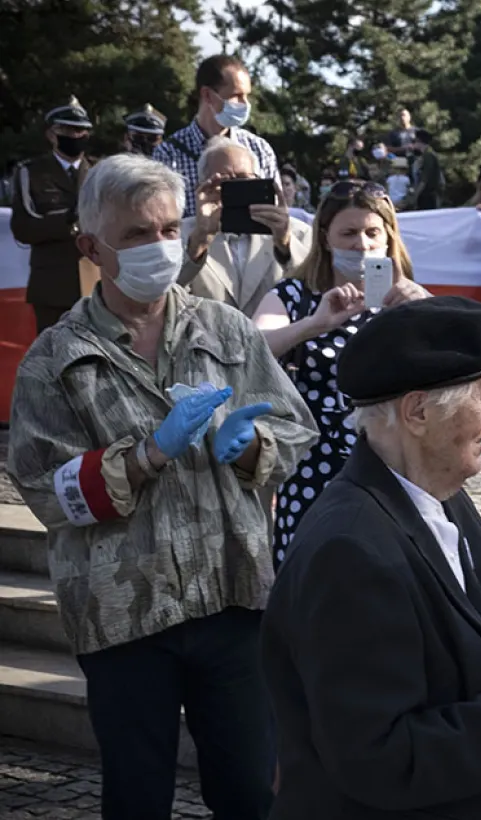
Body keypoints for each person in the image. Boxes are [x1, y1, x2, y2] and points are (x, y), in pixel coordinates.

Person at [4, 153, 318, 820]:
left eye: (169, 229)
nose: (159, 246)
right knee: (137, 796)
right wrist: (145, 456)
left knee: (249, 791)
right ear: (91, 247)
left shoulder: (225, 328)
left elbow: (296, 430)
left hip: (233, 596)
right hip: (124, 613)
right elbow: (44, 489)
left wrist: (251, 444)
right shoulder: (55, 360)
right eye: (136, 234)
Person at [261, 296, 481, 819]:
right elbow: (379, 758)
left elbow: (462, 654)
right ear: (418, 413)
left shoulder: (441, 497)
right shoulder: (349, 551)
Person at [252, 179, 431, 566]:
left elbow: (457, 367)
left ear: (389, 237)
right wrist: (314, 324)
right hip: (313, 470)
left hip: (392, 468)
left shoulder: (406, 299)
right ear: (325, 237)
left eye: (372, 233)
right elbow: (253, 346)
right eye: (348, 233)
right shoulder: (294, 296)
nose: (361, 244)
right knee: (311, 578)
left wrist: (428, 312)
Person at [179, 137, 312, 316]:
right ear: (202, 187)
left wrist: (285, 245)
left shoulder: (299, 233)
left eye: (244, 179)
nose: (237, 188)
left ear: (259, 181)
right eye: (223, 182)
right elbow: (165, 298)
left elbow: (315, 292)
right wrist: (199, 243)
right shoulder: (180, 234)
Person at [154, 54, 278, 218]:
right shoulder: (169, 154)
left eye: (247, 96)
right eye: (236, 96)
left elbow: (275, 210)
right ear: (207, 95)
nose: (245, 104)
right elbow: (163, 218)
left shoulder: (259, 149)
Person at [9, 96, 93, 333]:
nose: (75, 136)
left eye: (80, 130)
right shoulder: (30, 172)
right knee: (53, 353)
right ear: (51, 135)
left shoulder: (101, 171)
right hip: (52, 287)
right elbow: (23, 228)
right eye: (67, 130)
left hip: (95, 286)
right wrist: (68, 220)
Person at [411, 129, 444, 210]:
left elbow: (425, 178)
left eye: (414, 141)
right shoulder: (427, 154)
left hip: (428, 194)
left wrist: (416, 195)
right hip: (428, 193)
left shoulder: (428, 155)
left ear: (419, 141)